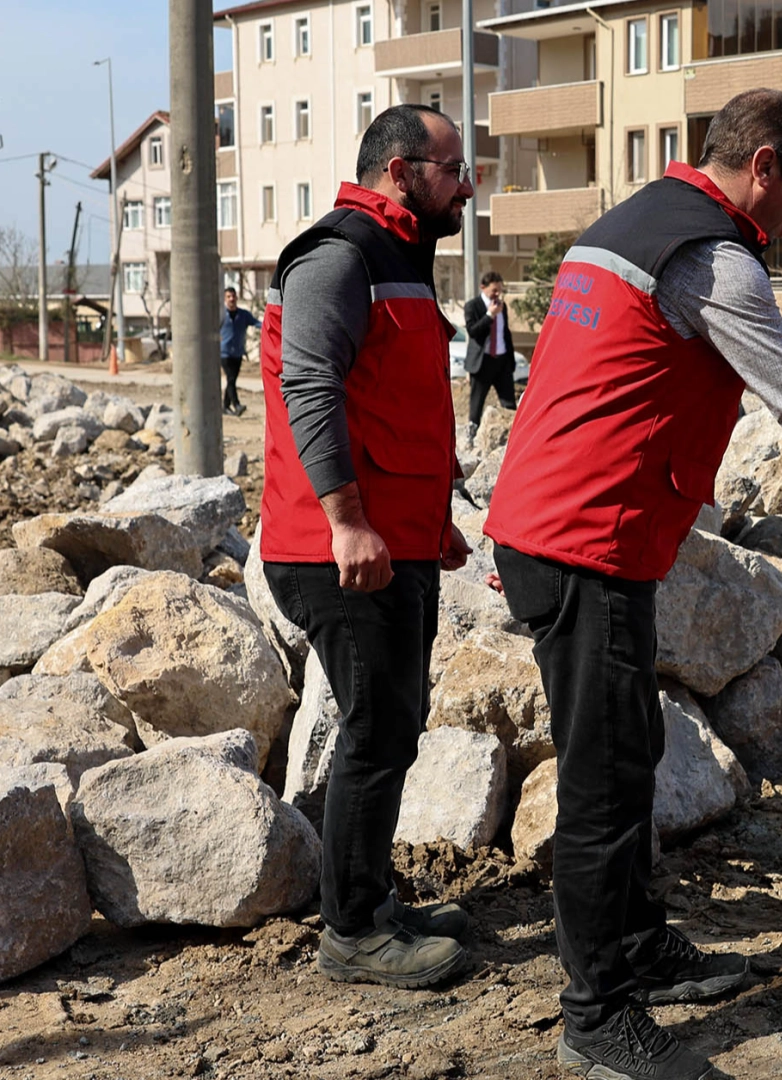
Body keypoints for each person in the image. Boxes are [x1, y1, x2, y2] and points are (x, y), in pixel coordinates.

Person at [482, 88, 782, 1079]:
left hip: (569, 527)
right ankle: (598, 1015)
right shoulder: (712, 259)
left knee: (631, 747)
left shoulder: (632, 223)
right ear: (763, 166)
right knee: (605, 779)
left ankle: (636, 950)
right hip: (581, 539)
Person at [258, 104, 476, 989]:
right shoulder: (339, 256)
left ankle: (372, 899)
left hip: (392, 542)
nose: (468, 186)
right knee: (376, 732)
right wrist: (349, 521)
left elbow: (396, 407)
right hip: (336, 548)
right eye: (455, 168)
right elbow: (309, 387)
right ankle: (350, 929)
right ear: (400, 170)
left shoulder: (400, 259)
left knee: (392, 726)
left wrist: (432, 522)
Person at [463, 270, 517, 429]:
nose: (497, 294)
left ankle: (511, 438)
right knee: (476, 404)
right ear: (483, 287)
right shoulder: (472, 306)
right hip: (482, 362)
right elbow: (473, 331)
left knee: (509, 404)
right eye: (494, 290)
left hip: (502, 361)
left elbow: (505, 333)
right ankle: (472, 434)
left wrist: (511, 360)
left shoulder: (502, 306)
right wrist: (489, 315)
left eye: (500, 290)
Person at [219, 287, 259, 416]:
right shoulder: (220, 315)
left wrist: (271, 326)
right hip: (224, 353)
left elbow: (256, 323)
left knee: (232, 380)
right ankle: (236, 405)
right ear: (225, 299)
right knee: (231, 379)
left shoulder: (243, 315)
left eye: (233, 296)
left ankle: (225, 406)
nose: (231, 299)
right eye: (229, 297)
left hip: (238, 353)